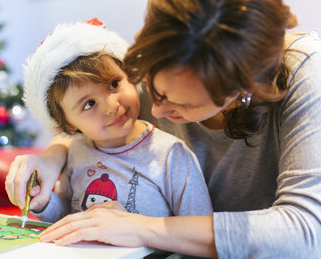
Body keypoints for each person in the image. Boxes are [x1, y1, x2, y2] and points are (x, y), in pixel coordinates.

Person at [5, 0, 321, 259]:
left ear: (242, 90)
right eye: (154, 88)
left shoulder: (306, 68)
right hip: (192, 253)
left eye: (184, 105)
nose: (159, 112)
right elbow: (90, 124)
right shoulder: (164, 59)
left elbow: (306, 229)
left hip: (303, 248)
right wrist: (53, 155)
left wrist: (142, 228)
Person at [13, 18, 212, 227]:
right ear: (69, 125)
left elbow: (199, 227)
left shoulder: (172, 154)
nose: (111, 106)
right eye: (89, 104)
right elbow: (65, 213)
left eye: (114, 84)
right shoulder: (76, 151)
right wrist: (42, 202)